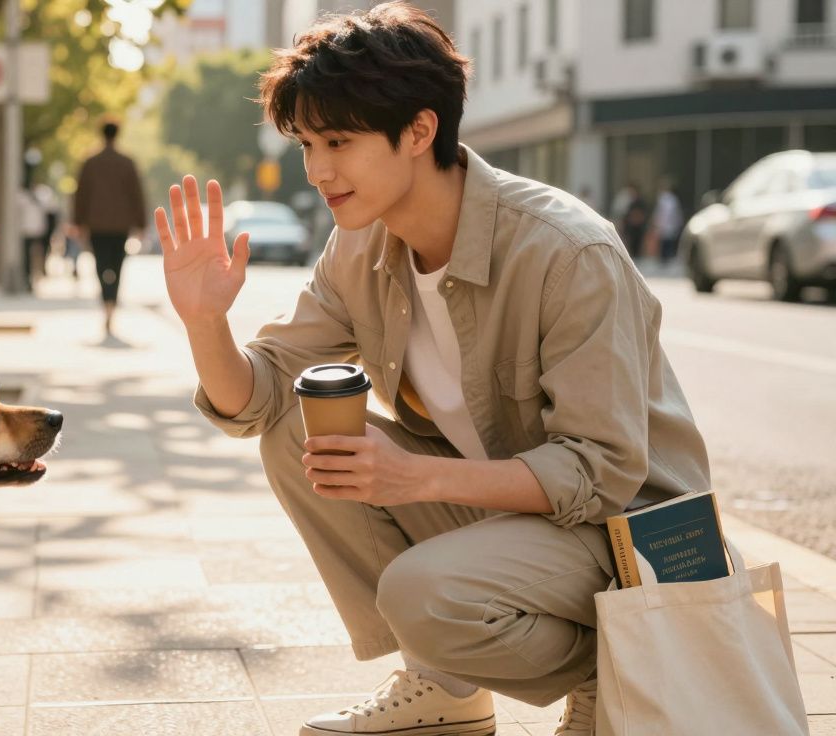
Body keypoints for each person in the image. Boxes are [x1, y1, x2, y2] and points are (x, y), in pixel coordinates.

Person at [154, 5, 710, 736]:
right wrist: (203, 321)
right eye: (308, 145)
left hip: (625, 536)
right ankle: (447, 686)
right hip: (509, 508)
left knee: (423, 591)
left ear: (419, 132)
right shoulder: (362, 246)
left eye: (340, 142)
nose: (319, 170)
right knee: (296, 432)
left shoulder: (566, 253)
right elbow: (257, 397)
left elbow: (600, 471)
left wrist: (417, 478)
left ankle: (613, 667)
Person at [72, 121, 146, 338]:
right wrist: (140, 224)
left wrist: (78, 222)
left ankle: (106, 307)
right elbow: (136, 194)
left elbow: (81, 194)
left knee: (101, 266)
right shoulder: (127, 162)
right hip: (121, 225)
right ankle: (111, 310)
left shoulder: (90, 162)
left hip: (97, 224)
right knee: (117, 266)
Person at [653, 177, 684, 266]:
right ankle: (665, 258)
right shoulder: (667, 199)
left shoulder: (667, 199)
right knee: (666, 242)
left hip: (667, 224)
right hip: (666, 224)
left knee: (667, 242)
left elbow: (660, 212)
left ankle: (666, 258)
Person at [619, 183, 649, 262]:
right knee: (631, 246)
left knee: (638, 246)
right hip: (631, 228)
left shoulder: (641, 202)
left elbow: (643, 215)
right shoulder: (629, 202)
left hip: (638, 228)